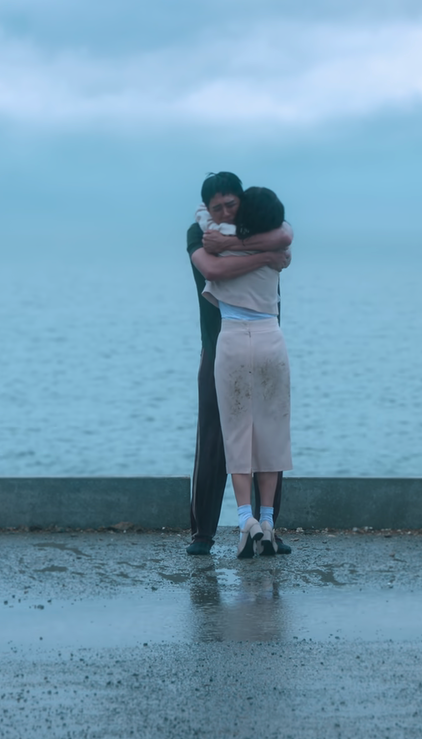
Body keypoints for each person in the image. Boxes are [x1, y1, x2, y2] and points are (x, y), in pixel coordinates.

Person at [186, 173, 294, 556]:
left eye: (231, 204)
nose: (225, 212)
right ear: (207, 208)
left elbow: (285, 234)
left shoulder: (255, 230)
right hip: (220, 344)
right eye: (217, 207)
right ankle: (206, 532)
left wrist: (238, 244)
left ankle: (262, 524)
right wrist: (265, 257)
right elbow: (212, 270)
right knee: (218, 437)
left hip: (247, 340)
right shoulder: (200, 234)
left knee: (262, 433)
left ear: (242, 203)